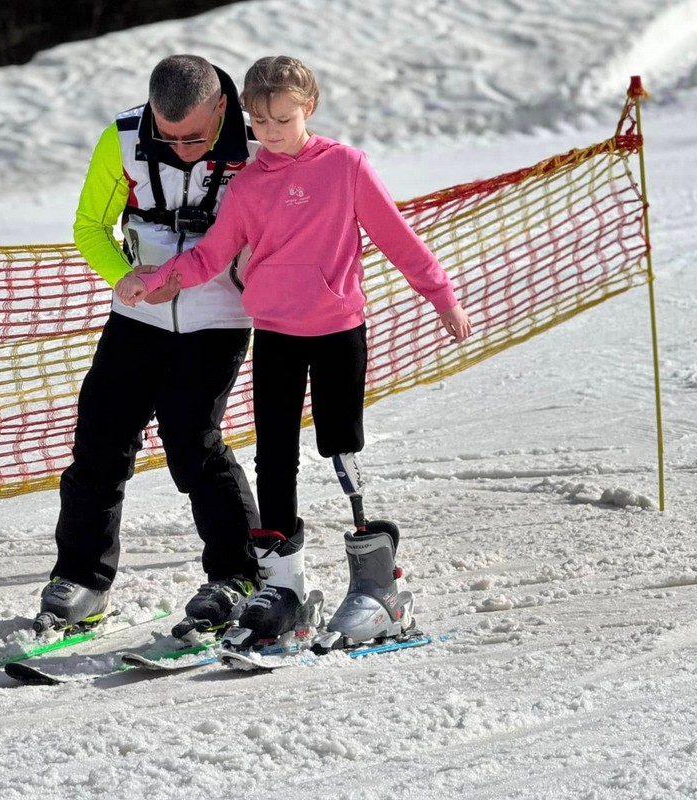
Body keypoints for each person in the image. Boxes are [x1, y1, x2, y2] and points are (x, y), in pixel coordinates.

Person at [116, 56, 473, 649]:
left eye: (283, 118)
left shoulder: (346, 167)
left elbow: (398, 239)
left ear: (310, 107)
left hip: (336, 329)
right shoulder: (250, 183)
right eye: (259, 120)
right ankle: (283, 589)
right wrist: (153, 280)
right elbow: (209, 257)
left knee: (340, 442)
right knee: (274, 454)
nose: (271, 130)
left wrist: (443, 297)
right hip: (276, 333)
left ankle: (376, 581)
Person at [35, 55, 264, 637]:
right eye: (168, 135)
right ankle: (82, 582)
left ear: (221, 108)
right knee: (99, 439)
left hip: (220, 312)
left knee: (192, 440)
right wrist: (121, 276)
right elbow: (91, 225)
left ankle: (236, 577)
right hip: (138, 313)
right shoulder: (122, 138)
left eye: (194, 136)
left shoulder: (261, 139)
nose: (182, 148)